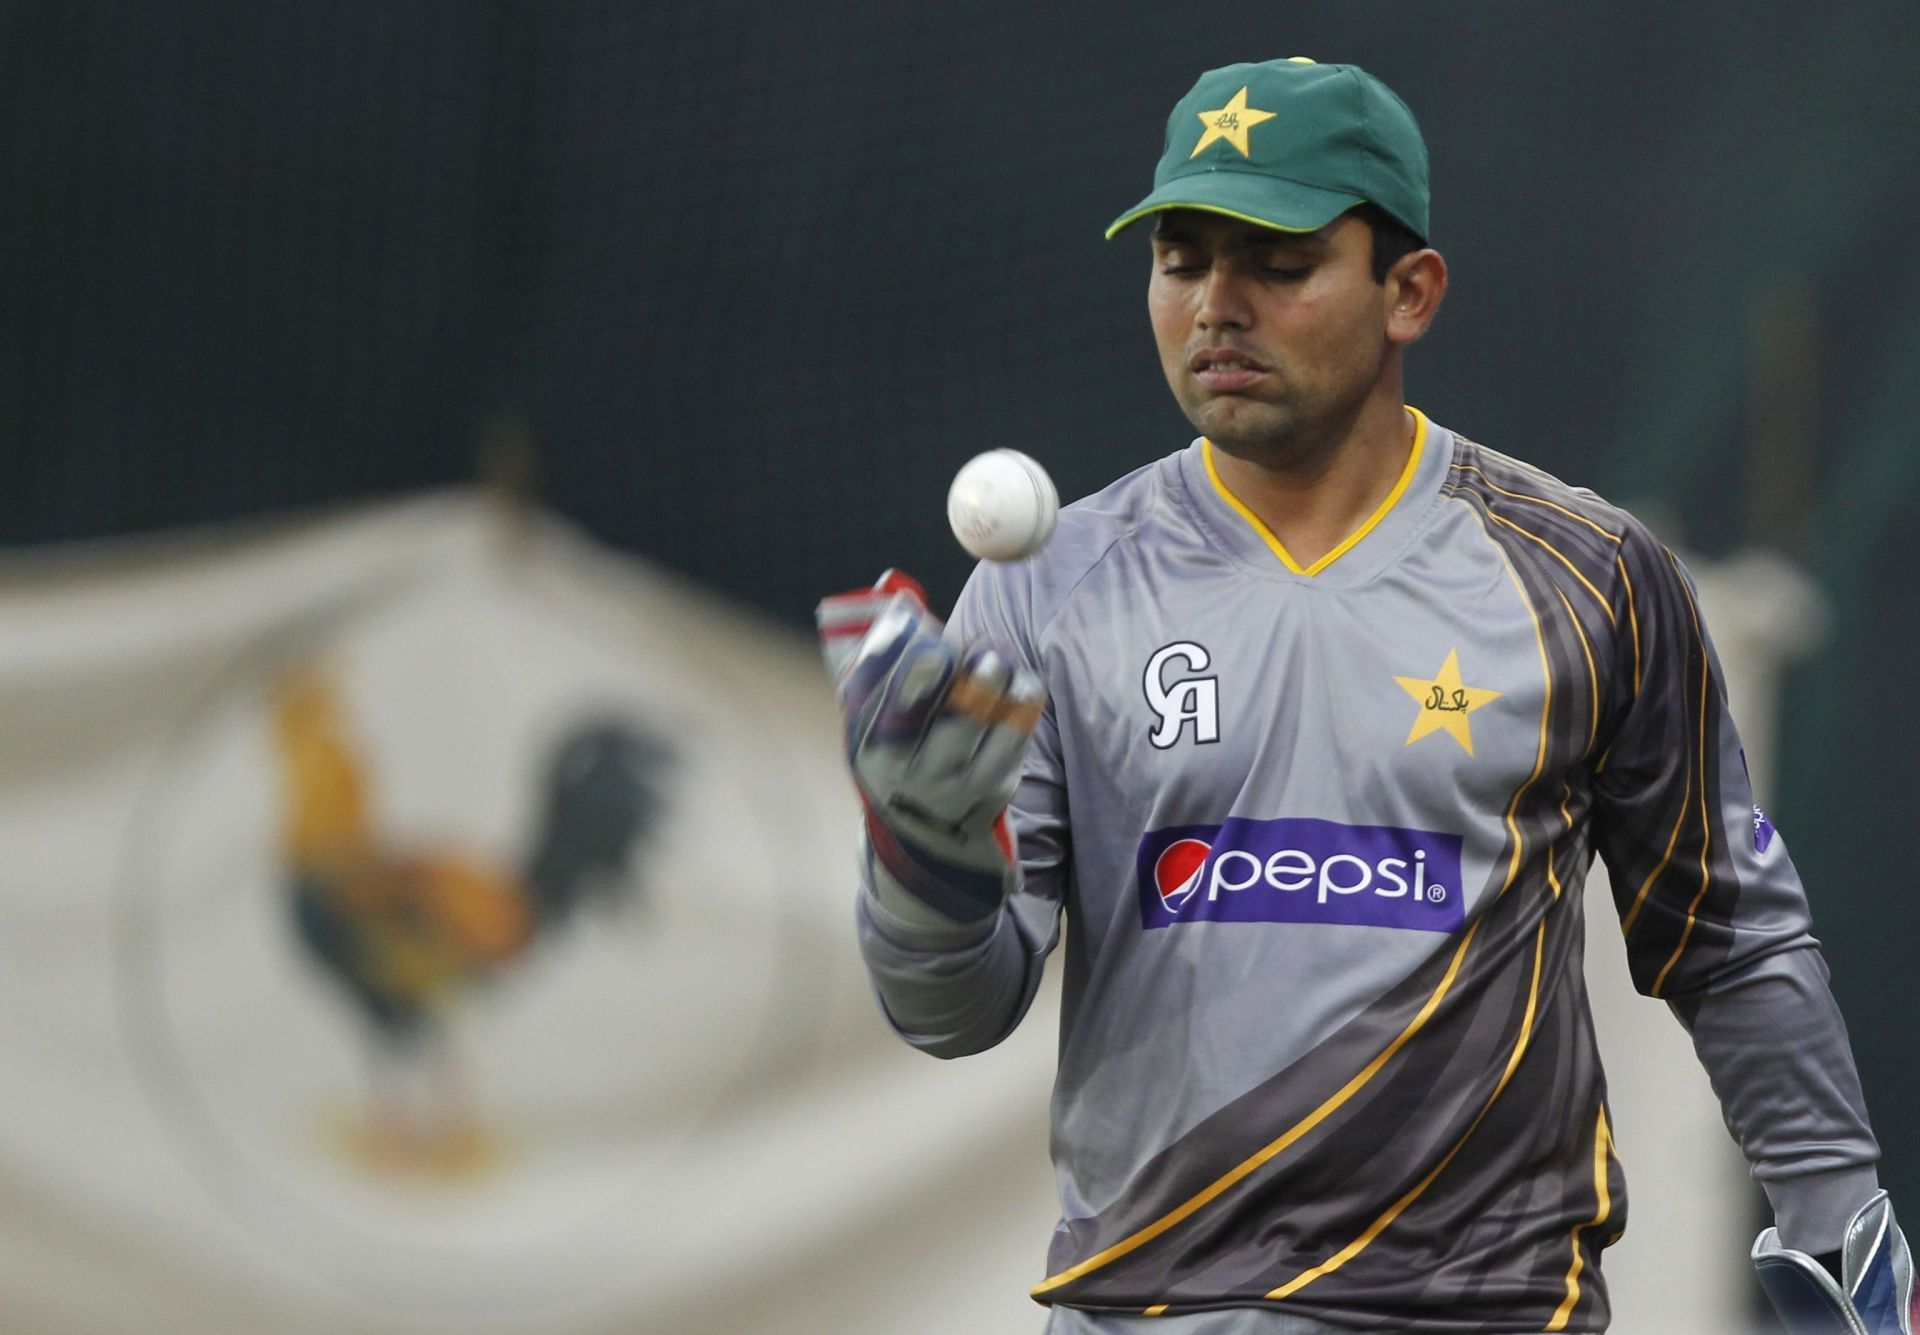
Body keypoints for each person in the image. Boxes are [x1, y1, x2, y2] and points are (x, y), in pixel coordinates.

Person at [817, 56, 1912, 1334]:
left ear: (1410, 292)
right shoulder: (1050, 587)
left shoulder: (1592, 575)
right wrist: (926, 860)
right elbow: (956, 1013)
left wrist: (1838, 1228)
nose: (1217, 305)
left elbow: (1730, 938)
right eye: (1181, 258)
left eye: (1276, 262)